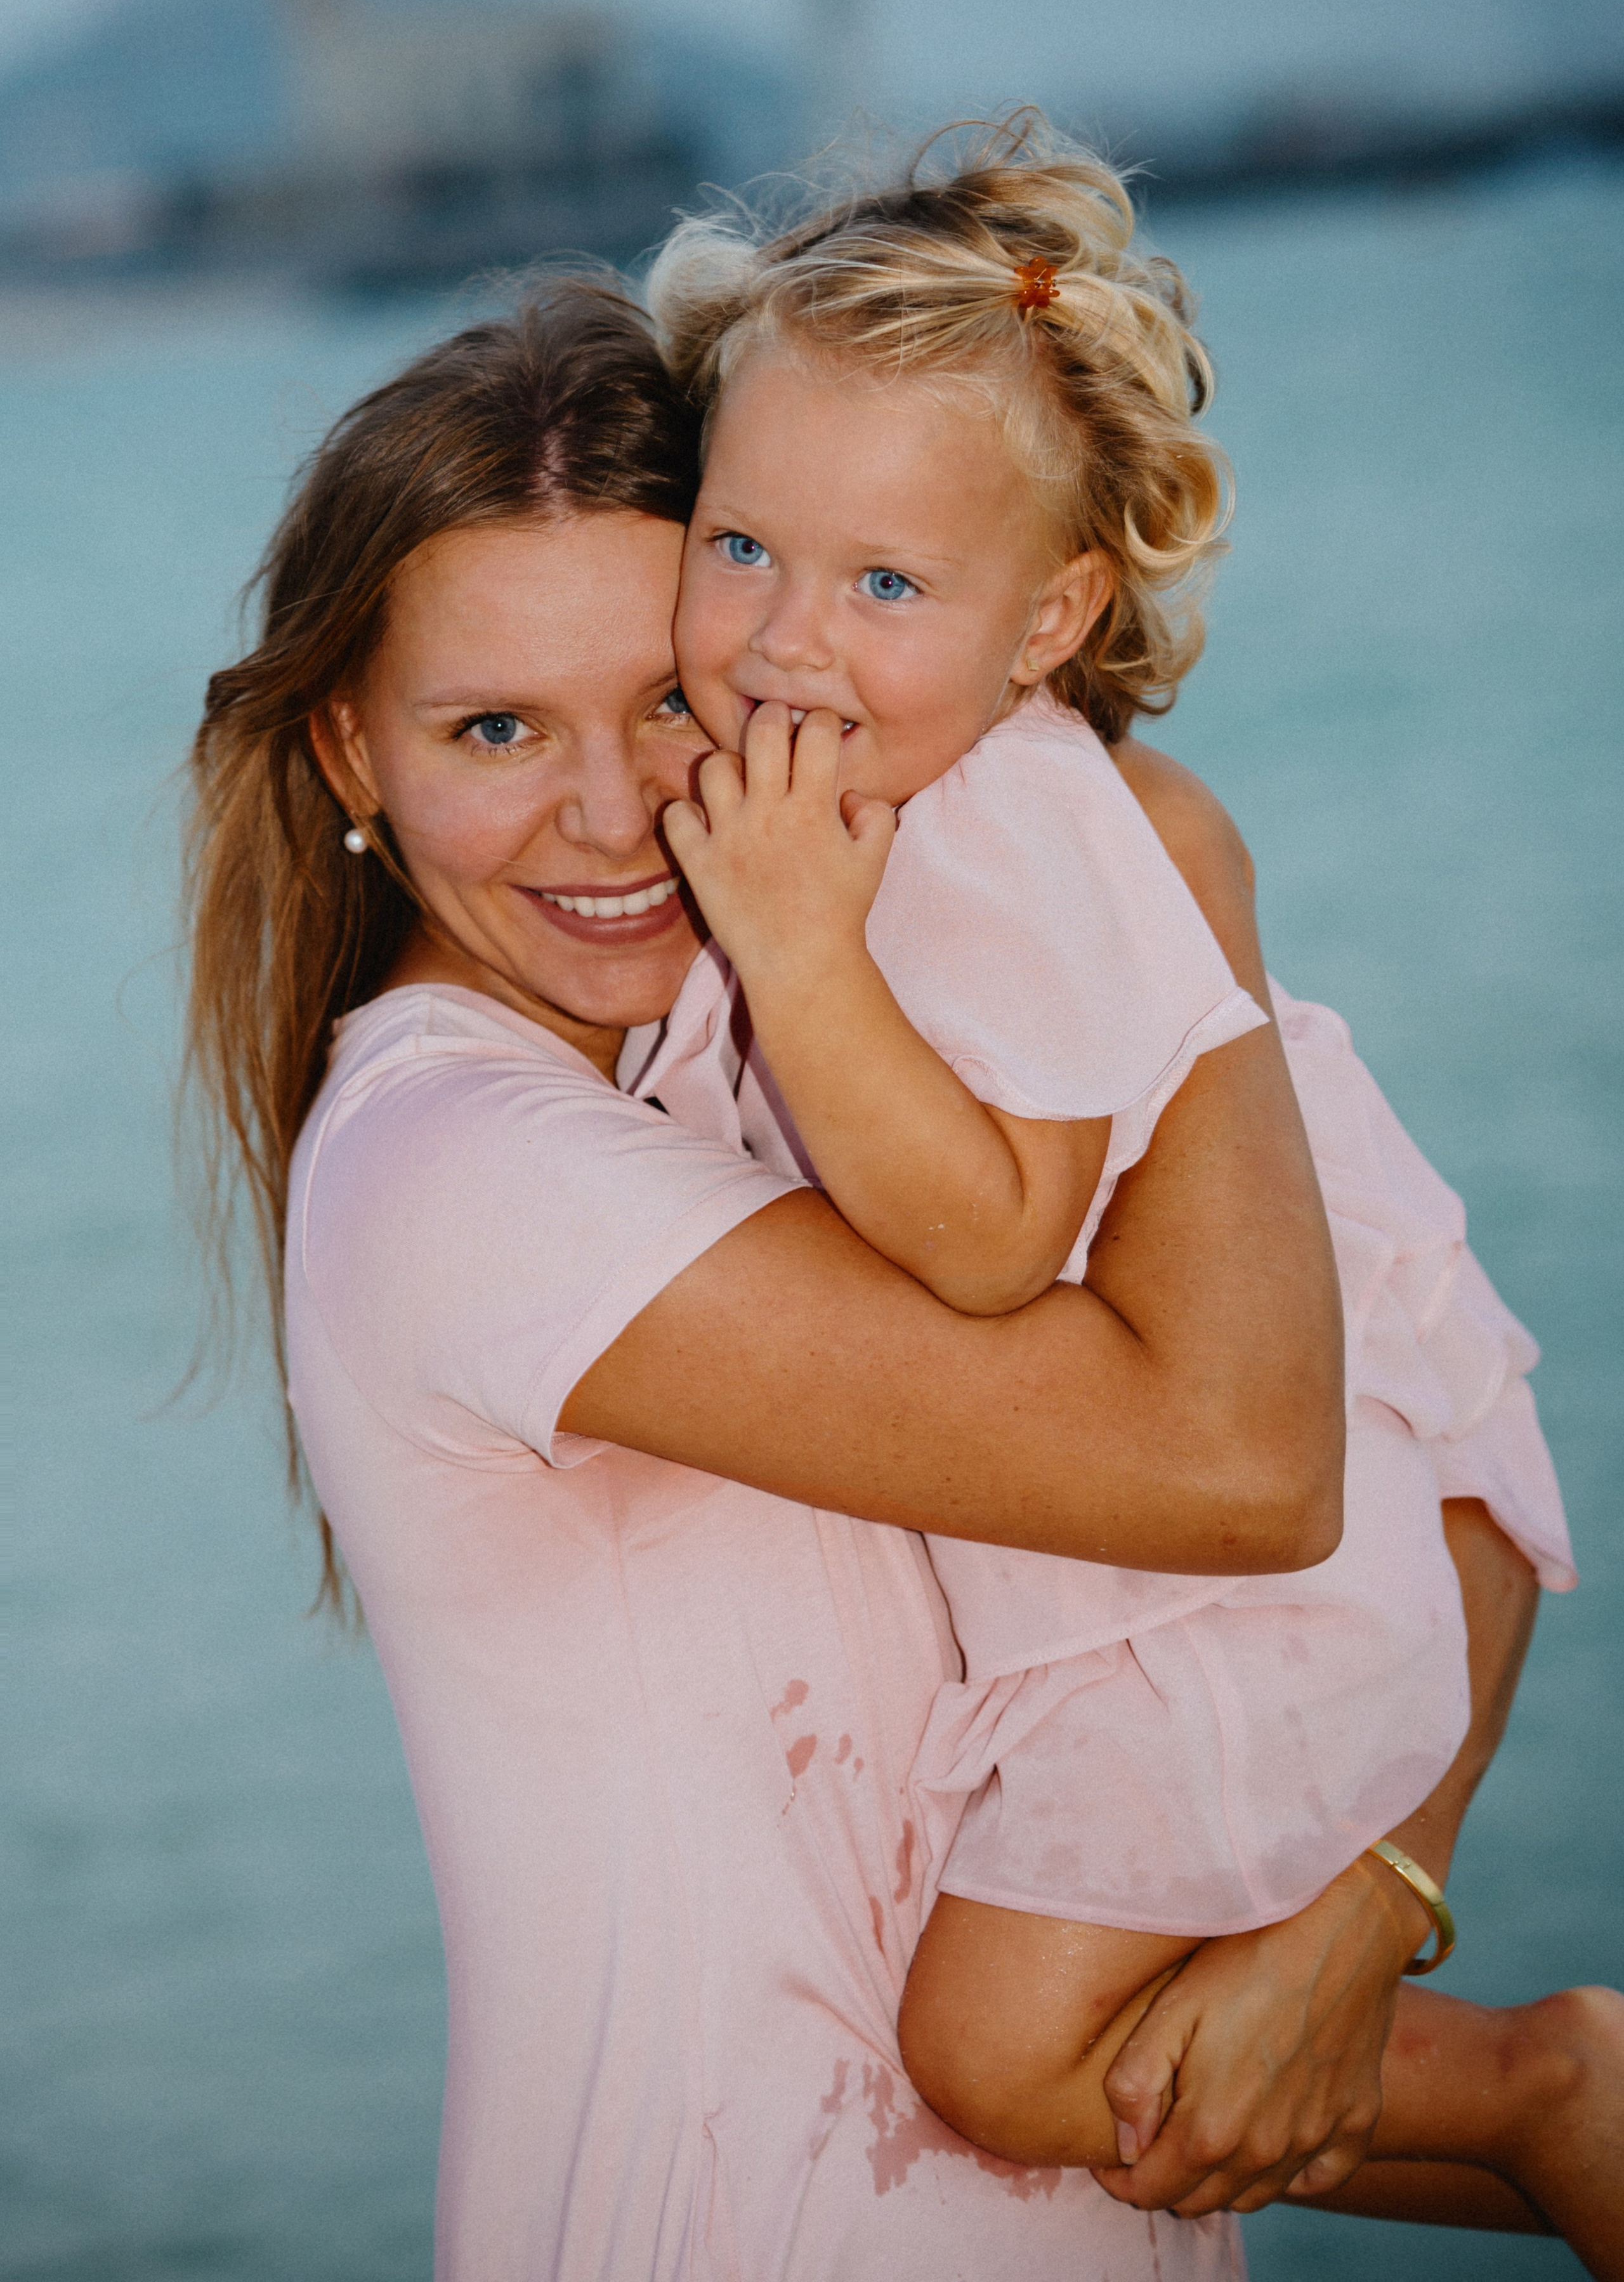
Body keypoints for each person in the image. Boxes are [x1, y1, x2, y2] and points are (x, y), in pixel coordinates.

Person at [185, 278, 1529, 2282]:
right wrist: (1177, 876)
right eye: (492, 728)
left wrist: (1369, 1897)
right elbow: (1248, 1466)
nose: (620, 809)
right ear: (347, 749)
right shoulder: (460, 1169)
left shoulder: (864, 1057)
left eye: (669, 693)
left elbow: (1453, 1448)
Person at [643, 119, 1621, 2262]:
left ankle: (1557, 2092)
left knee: (1002, 2060)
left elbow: (999, 1230)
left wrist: (798, 959)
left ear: (1052, 616)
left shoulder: (1008, 830)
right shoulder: (895, 791)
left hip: (1227, 1605)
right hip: (1182, 1575)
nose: (790, 640)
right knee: (1126, 2075)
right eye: (741, 549)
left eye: (889, 584)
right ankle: (1552, 2122)